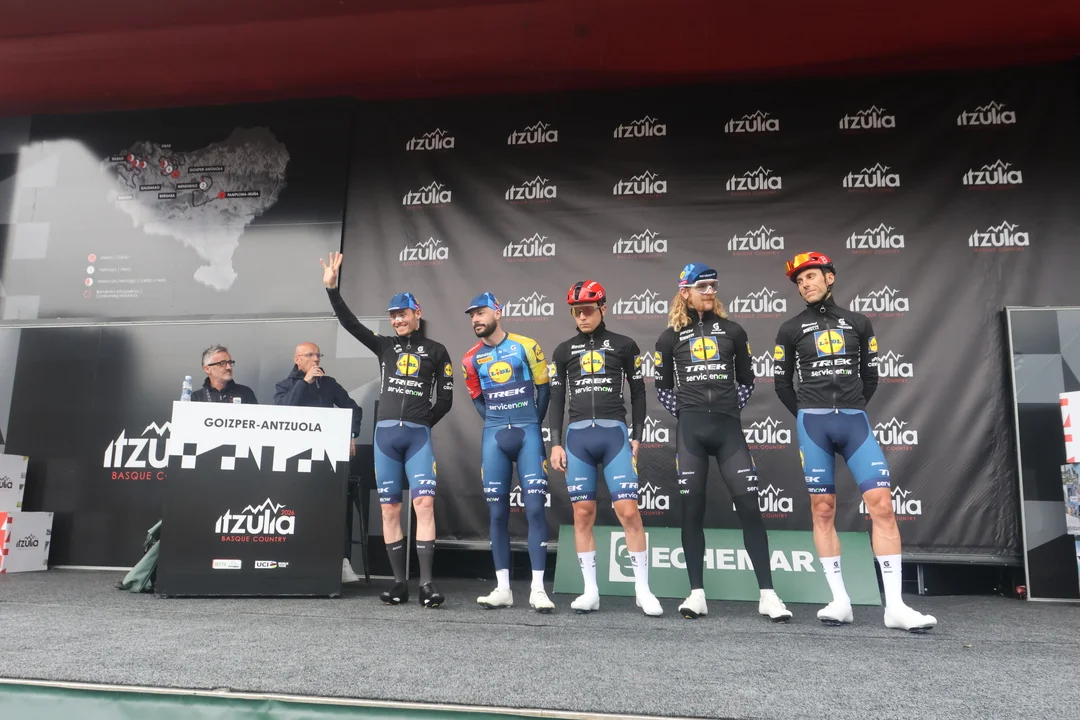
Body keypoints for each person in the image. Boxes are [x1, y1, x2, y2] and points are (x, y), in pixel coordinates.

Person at [774, 251, 936, 631]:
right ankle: (840, 601)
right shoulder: (790, 328)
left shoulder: (859, 322)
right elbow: (782, 383)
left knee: (882, 505)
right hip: (813, 424)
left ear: (829, 277)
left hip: (854, 421)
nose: (805, 284)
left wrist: (851, 405)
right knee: (822, 509)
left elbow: (870, 376)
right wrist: (807, 414)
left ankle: (895, 607)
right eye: (800, 281)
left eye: (811, 276)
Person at [654, 263, 793, 622]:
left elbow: (746, 380)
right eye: (702, 286)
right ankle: (696, 594)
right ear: (685, 291)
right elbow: (663, 388)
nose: (710, 291)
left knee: (749, 508)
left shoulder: (733, 331)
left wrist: (726, 409)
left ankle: (768, 595)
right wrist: (688, 411)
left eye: (713, 286)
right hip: (691, 432)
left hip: (729, 430)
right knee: (691, 510)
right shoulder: (669, 338)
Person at [320, 252, 453, 608]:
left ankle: (427, 585)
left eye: (403, 314)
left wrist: (422, 422)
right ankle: (398, 585)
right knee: (390, 509)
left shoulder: (437, 351)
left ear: (417, 313)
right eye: (393, 316)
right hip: (385, 439)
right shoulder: (384, 345)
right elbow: (350, 324)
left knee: (424, 504)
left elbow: (446, 399)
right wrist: (332, 290)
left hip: (418, 438)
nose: (397, 320)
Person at [548, 280, 664, 617]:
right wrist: (555, 443)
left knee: (628, 511)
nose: (582, 317)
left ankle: (643, 590)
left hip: (614, 435)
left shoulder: (624, 345)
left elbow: (639, 392)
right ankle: (590, 591)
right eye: (576, 312)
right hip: (577, 438)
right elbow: (557, 398)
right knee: (582, 513)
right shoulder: (563, 350)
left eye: (587, 310)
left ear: (603, 308)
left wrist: (637, 434)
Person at [462, 292, 555, 612]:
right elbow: (477, 398)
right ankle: (503, 589)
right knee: (497, 513)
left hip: (528, 432)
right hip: (495, 435)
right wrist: (495, 422)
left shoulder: (526, 345)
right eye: (472, 315)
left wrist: (532, 422)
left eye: (481, 313)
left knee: (535, 509)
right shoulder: (470, 359)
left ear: (497, 313)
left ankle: (538, 589)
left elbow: (544, 389)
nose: (476, 319)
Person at [273, 342, 364, 584]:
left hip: (326, 459)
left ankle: (342, 562)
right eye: (310, 355)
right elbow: (282, 412)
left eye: (318, 355)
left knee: (334, 508)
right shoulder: (284, 385)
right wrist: (305, 382)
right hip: (293, 461)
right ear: (297, 359)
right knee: (294, 509)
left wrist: (350, 433)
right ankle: (292, 561)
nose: (316, 360)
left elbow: (353, 409)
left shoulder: (329, 384)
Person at [191, 345, 258, 404]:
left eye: (230, 363)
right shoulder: (196, 398)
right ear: (207, 369)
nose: (229, 367)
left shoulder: (245, 393)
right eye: (222, 363)